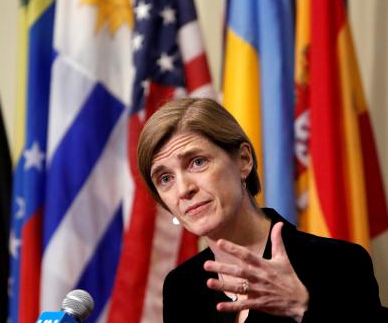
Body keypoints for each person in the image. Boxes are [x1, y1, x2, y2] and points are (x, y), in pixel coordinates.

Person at [137, 97, 384, 322]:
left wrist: (302, 306)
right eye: (165, 178)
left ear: (243, 160)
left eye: (197, 162)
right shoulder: (181, 287)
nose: (183, 190)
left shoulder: (338, 264)